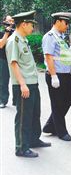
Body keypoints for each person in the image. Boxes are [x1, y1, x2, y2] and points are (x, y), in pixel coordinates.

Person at [5, 11, 51, 158]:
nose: (32, 28)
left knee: (34, 114)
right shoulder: (14, 41)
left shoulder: (23, 40)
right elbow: (14, 64)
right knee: (24, 117)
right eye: (31, 25)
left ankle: (33, 140)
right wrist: (23, 84)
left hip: (32, 83)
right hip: (23, 85)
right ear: (23, 24)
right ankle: (21, 147)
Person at [41, 12, 71, 141]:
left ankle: (49, 126)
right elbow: (48, 57)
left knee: (67, 102)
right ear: (58, 21)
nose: (67, 26)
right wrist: (54, 76)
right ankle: (61, 131)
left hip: (66, 74)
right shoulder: (49, 37)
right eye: (66, 23)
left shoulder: (61, 36)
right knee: (57, 104)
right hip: (56, 75)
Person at [0, 15, 13, 108]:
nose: (10, 22)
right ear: (4, 22)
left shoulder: (16, 32)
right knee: (3, 81)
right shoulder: (1, 33)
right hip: (4, 59)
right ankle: (3, 100)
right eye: (8, 21)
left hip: (15, 59)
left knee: (18, 80)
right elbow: (1, 45)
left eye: (12, 20)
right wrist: (7, 32)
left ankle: (17, 100)